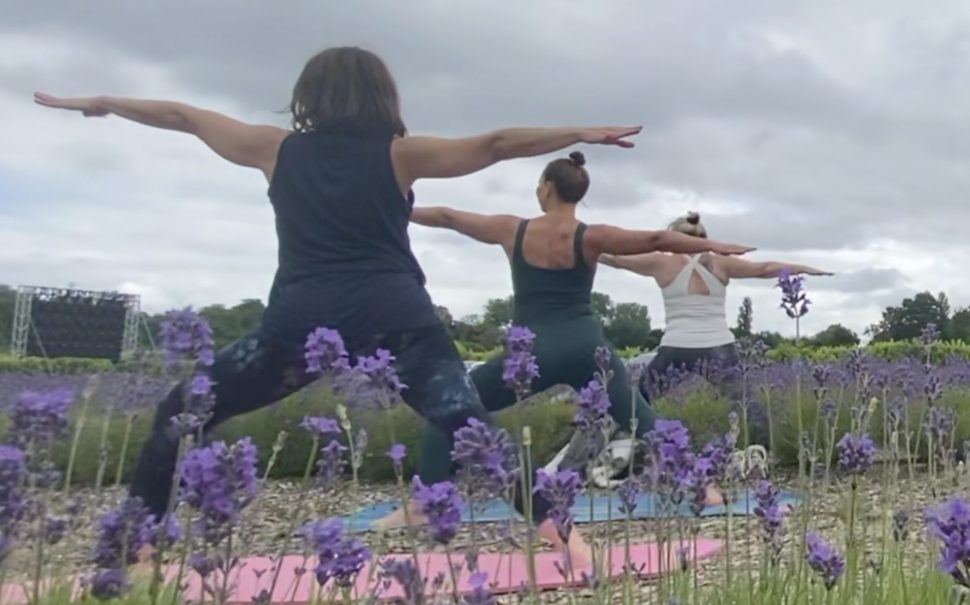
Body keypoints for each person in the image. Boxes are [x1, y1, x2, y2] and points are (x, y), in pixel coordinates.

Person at [34, 46, 644, 563]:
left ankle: (138, 539)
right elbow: (495, 143)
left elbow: (182, 114)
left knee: (182, 406)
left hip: (300, 321)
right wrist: (578, 132)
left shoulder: (276, 149)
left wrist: (107, 102)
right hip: (396, 318)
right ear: (382, 98)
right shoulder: (398, 156)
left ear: (309, 97)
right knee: (469, 424)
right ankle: (558, 532)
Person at [403, 152, 754, 560]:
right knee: (641, 418)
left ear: (546, 189)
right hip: (589, 348)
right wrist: (713, 245)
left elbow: (446, 216)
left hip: (530, 351)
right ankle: (705, 489)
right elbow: (658, 240)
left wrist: (398, 209)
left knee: (450, 404)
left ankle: (424, 503)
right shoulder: (591, 235)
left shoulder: (511, 229)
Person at [601, 211, 831, 400]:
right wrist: (804, 268)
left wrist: (583, 247)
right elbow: (765, 268)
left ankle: (629, 443)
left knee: (640, 402)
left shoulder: (661, 262)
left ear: (674, 239)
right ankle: (760, 447)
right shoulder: (720, 263)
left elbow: (615, 259)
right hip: (717, 346)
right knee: (745, 406)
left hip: (676, 345)